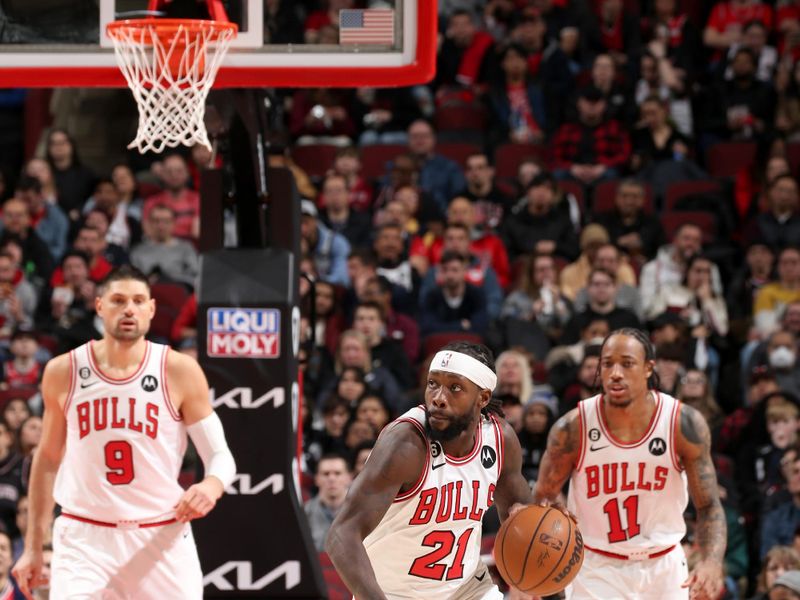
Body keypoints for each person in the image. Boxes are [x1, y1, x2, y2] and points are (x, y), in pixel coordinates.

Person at [13, 265, 236, 598]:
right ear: (100, 305)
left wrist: (212, 484)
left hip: (160, 533)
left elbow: (220, 455)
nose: (128, 308)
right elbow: (46, 460)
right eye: (118, 300)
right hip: (84, 536)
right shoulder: (64, 371)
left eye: (137, 300)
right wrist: (33, 547)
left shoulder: (178, 370)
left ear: (151, 309)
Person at [326, 341, 535, 599]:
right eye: (433, 384)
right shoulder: (405, 444)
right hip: (392, 593)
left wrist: (544, 524)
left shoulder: (499, 439)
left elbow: (525, 521)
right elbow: (341, 534)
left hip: (467, 589)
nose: (438, 398)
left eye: (455, 388)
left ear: (482, 398)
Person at [533, 328, 726, 599]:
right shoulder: (573, 428)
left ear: (648, 368)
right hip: (596, 566)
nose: (615, 373)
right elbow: (543, 496)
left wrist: (711, 562)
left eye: (627, 363)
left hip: (664, 565)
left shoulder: (682, 424)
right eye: (607, 363)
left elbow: (708, 505)